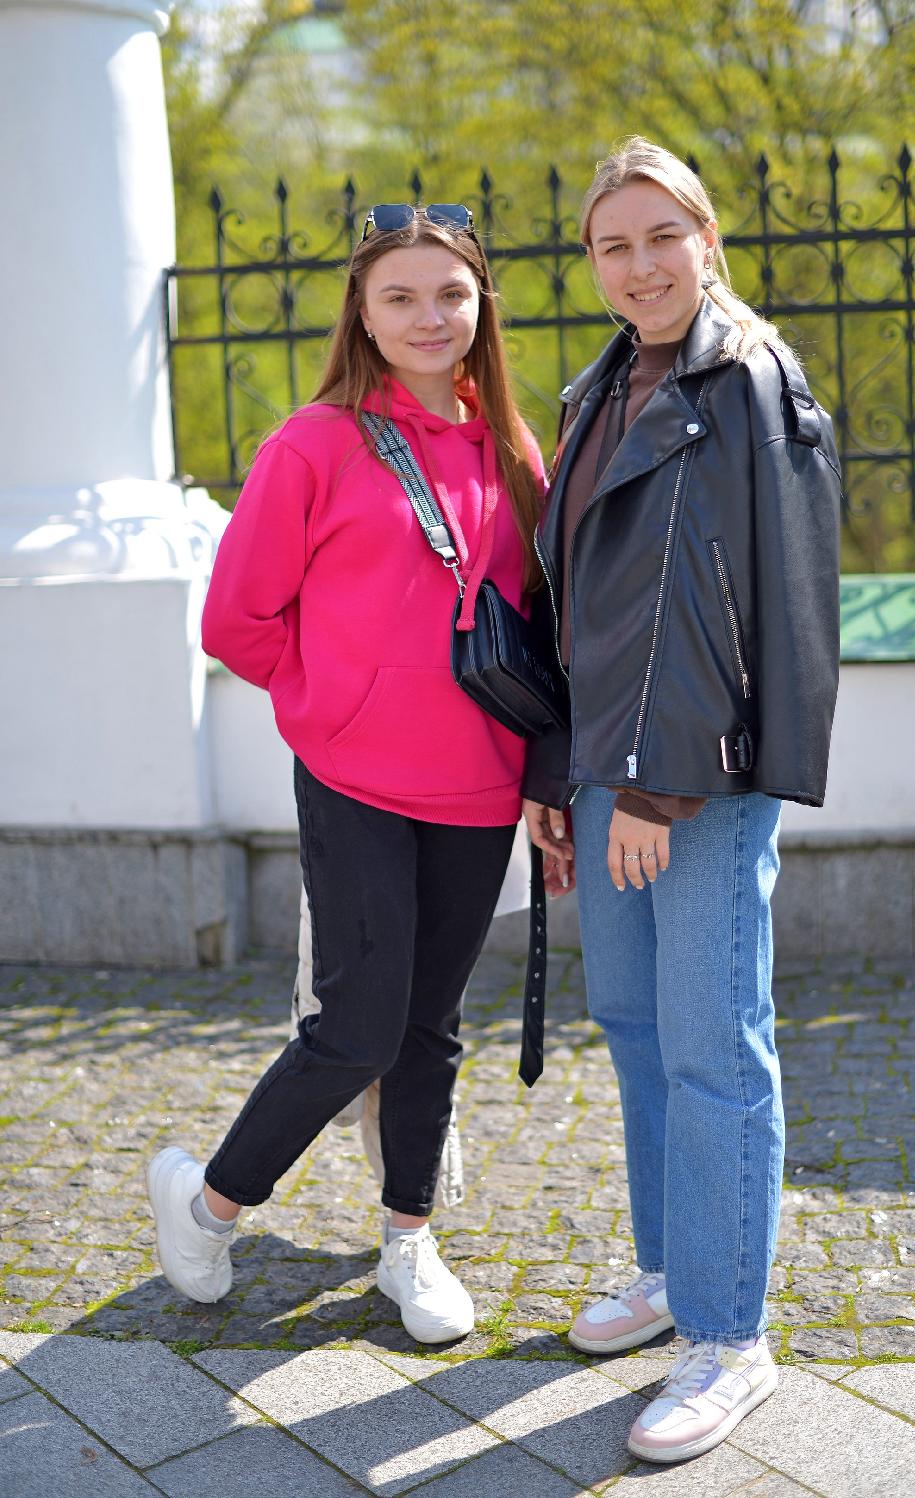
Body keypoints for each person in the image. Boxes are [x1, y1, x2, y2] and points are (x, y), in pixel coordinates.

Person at [147, 202, 545, 1345]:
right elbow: (237, 620)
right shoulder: (312, 442)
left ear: (480, 308)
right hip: (357, 779)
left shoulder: (512, 445)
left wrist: (539, 774)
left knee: (431, 1025)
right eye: (401, 296)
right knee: (357, 1026)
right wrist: (338, 704)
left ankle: (409, 1240)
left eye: (451, 295)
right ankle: (210, 1200)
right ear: (363, 316)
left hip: (478, 785)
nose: (430, 317)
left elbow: (538, 619)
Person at [523, 137, 841, 1463]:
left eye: (663, 235)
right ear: (592, 261)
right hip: (606, 768)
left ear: (706, 236)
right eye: (614, 243)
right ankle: (671, 1270)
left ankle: (728, 1336)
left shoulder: (744, 376)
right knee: (640, 1026)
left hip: (691, 778)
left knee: (716, 1043)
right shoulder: (603, 380)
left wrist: (657, 782)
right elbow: (582, 603)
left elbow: (733, 598)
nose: (641, 264)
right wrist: (559, 776)